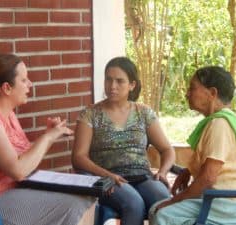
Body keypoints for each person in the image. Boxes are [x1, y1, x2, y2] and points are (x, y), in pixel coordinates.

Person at [0, 53, 96, 225]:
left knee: (88, 195)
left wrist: (48, 135)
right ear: (6, 88)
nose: (30, 84)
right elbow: (18, 170)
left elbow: (25, 162)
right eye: (24, 80)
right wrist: (48, 138)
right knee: (76, 204)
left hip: (6, 193)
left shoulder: (8, 114)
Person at [72, 56, 175, 225]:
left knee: (163, 199)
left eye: (120, 81)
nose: (112, 86)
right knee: (134, 203)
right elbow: (78, 157)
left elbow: (167, 150)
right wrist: (107, 175)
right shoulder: (90, 114)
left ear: (132, 85)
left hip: (142, 177)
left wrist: (162, 172)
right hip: (106, 180)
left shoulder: (143, 113)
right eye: (108, 80)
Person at [149, 66, 236, 225]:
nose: (187, 93)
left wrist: (175, 200)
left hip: (227, 205)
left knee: (160, 213)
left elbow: (207, 179)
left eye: (192, 88)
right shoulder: (227, 120)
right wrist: (188, 171)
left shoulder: (219, 124)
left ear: (212, 93)